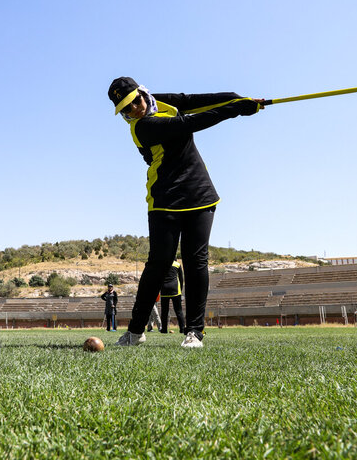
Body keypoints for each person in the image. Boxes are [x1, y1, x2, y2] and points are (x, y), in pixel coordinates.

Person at [108, 77, 262, 348]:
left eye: (136, 100)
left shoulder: (162, 100)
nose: (135, 108)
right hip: (164, 198)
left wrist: (238, 98)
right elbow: (187, 123)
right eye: (126, 109)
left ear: (143, 92)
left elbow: (193, 101)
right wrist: (235, 109)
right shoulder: (142, 127)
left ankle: (195, 332)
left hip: (199, 192)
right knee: (158, 264)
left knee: (196, 262)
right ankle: (135, 331)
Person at [160, 260, 186, 334]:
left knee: (164, 311)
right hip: (175, 289)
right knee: (179, 311)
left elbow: (158, 277)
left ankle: (164, 330)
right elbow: (181, 278)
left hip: (164, 289)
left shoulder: (162, 264)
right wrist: (180, 290)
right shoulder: (177, 264)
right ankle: (182, 329)